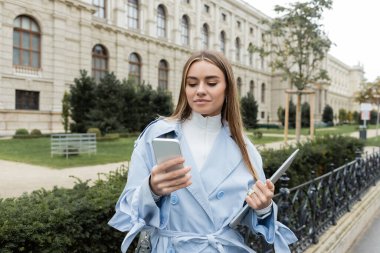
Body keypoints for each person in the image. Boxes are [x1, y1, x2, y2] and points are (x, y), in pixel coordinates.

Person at [108, 50, 297, 253]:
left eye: (211, 83)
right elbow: (128, 207)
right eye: (191, 83)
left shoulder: (245, 149)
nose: (199, 90)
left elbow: (247, 215)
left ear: (228, 89)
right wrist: (152, 190)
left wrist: (263, 207)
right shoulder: (158, 134)